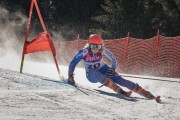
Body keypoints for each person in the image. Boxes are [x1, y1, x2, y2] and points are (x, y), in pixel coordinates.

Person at [67, 34, 159, 100]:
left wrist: (112, 68)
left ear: (101, 46)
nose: (95, 49)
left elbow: (113, 60)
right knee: (93, 71)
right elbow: (72, 63)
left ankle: (144, 93)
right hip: (91, 76)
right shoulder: (84, 52)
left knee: (120, 79)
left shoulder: (103, 50)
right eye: (93, 46)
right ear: (89, 45)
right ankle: (113, 86)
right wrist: (70, 76)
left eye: (98, 46)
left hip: (103, 69)